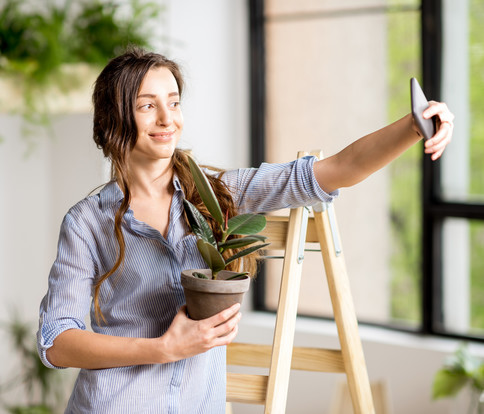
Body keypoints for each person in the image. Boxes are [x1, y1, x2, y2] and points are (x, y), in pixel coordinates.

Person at [37, 47, 454, 413]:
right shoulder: (87, 221)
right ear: (113, 119)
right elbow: (57, 340)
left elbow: (334, 171)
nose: (168, 119)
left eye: (175, 103)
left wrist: (413, 126)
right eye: (147, 106)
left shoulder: (219, 195)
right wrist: (164, 348)